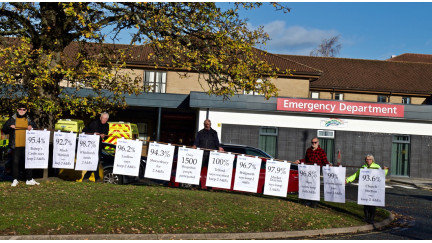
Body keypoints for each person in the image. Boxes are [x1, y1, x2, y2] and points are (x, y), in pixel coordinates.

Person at [2, 104, 39, 186]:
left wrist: (31, 126)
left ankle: (29, 179)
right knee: (15, 162)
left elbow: (35, 128)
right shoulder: (12, 118)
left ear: (26, 111)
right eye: (20, 109)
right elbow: (4, 129)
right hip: (15, 145)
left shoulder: (28, 118)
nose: (22, 111)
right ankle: (15, 179)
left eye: (24, 109)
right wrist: (9, 127)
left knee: (28, 162)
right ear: (17, 110)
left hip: (27, 145)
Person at [346, 154, 388, 224]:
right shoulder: (363, 167)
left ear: (372, 160)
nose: (368, 160)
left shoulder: (377, 167)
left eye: (369, 159)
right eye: (366, 159)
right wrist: (347, 180)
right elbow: (355, 175)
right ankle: (366, 218)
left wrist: (385, 170)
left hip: (373, 189)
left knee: (372, 205)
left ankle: (371, 219)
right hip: (365, 188)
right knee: (365, 204)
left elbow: (382, 175)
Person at [294, 137, 331, 207]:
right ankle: (306, 201)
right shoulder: (308, 150)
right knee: (308, 185)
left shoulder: (321, 151)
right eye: (312, 142)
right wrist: (299, 161)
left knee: (315, 186)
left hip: (316, 171)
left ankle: (314, 203)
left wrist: (328, 164)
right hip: (308, 170)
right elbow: (306, 160)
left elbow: (324, 161)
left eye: (315, 142)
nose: (313, 144)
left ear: (318, 143)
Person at [81, 112, 109, 181]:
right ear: (100, 118)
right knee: (95, 161)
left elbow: (105, 136)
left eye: (106, 119)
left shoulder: (107, 125)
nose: (104, 120)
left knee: (97, 161)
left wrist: (103, 136)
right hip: (90, 145)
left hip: (99, 145)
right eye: (103, 118)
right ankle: (97, 178)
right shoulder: (94, 123)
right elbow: (84, 131)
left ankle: (86, 177)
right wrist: (94, 134)